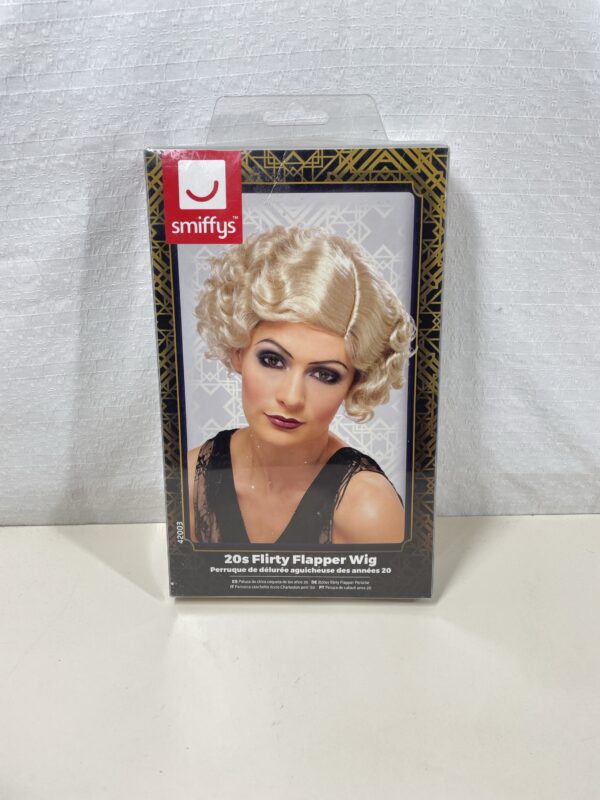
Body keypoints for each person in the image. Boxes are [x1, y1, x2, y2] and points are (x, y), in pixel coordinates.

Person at [187, 226, 415, 546]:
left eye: (325, 375)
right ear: (238, 351)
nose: (292, 397)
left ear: (356, 383)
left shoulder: (368, 510)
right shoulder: (192, 477)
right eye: (272, 360)